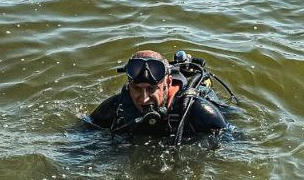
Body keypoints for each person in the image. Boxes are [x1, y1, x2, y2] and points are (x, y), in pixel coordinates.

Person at [87, 49, 232, 142]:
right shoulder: (117, 107)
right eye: (137, 89)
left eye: (151, 89)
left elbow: (232, 142)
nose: (144, 98)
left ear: (168, 83)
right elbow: (83, 133)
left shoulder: (196, 109)